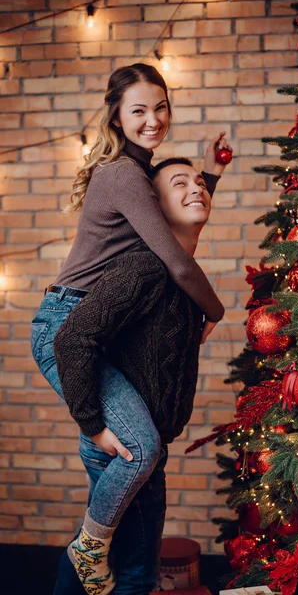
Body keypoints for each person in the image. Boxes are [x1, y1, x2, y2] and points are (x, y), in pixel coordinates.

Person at [31, 63, 230, 594]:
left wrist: (205, 177)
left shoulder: (139, 177)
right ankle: (88, 547)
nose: (154, 119)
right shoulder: (122, 174)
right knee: (139, 449)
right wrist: (217, 312)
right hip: (67, 321)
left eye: (161, 107)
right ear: (117, 117)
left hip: (95, 327)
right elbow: (178, 264)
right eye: (139, 109)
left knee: (141, 486)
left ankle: (90, 555)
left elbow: (176, 219)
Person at [51, 158, 217, 594]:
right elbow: (72, 338)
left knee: (100, 562)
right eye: (179, 183)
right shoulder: (145, 268)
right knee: (134, 575)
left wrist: (209, 172)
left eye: (200, 183)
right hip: (125, 447)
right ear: (153, 209)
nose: (196, 188)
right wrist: (93, 424)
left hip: (145, 447)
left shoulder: (185, 278)